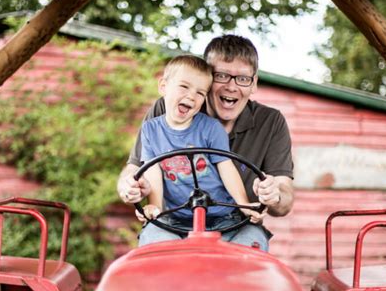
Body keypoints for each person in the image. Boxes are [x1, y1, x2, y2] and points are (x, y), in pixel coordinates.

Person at [118, 35, 294, 250]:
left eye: (243, 78)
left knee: (249, 252)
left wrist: (273, 194)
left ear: (254, 83)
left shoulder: (270, 121)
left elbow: (284, 193)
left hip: (234, 221)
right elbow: (139, 167)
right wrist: (129, 187)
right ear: (208, 78)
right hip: (174, 220)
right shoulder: (164, 112)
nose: (231, 86)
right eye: (221, 76)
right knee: (155, 248)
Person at [137, 55, 262, 247]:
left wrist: (243, 204)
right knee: (153, 237)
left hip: (222, 217)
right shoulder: (150, 130)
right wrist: (155, 206)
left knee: (253, 237)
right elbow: (152, 171)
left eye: (200, 93)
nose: (191, 96)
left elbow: (226, 167)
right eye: (184, 87)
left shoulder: (211, 128)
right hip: (176, 218)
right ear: (163, 86)